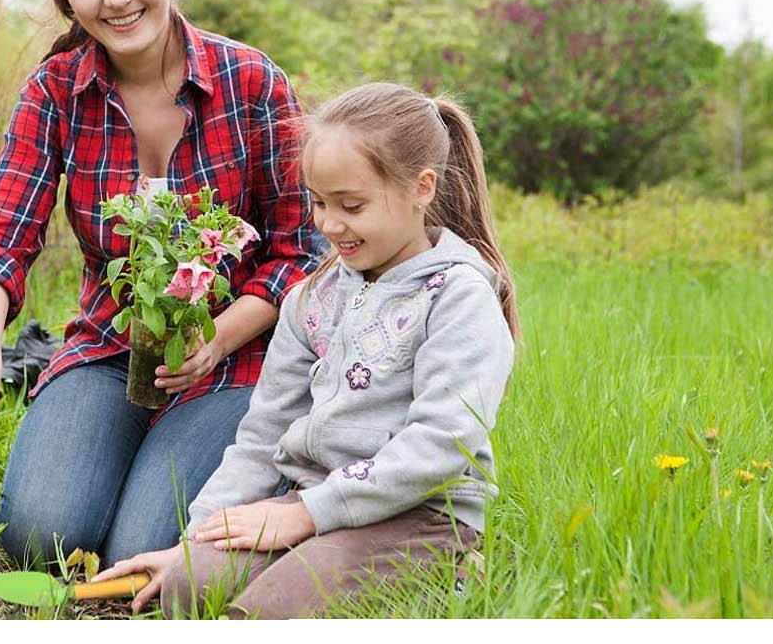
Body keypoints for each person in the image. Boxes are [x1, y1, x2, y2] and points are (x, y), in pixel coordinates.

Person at [0, 0, 319, 566]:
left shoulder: (253, 82)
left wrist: (217, 338)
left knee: (143, 546)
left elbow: (299, 252)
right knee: (40, 539)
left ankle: (279, 481)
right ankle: (126, 446)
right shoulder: (54, 93)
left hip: (233, 360)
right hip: (109, 353)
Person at [96, 82, 518, 619]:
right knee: (185, 589)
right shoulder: (309, 299)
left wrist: (311, 514)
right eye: (318, 202)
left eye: (352, 205)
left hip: (420, 516)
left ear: (422, 188)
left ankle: (450, 574)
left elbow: (443, 442)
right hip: (309, 501)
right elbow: (261, 435)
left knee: (269, 615)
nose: (329, 224)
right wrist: (195, 538)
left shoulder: (457, 297)